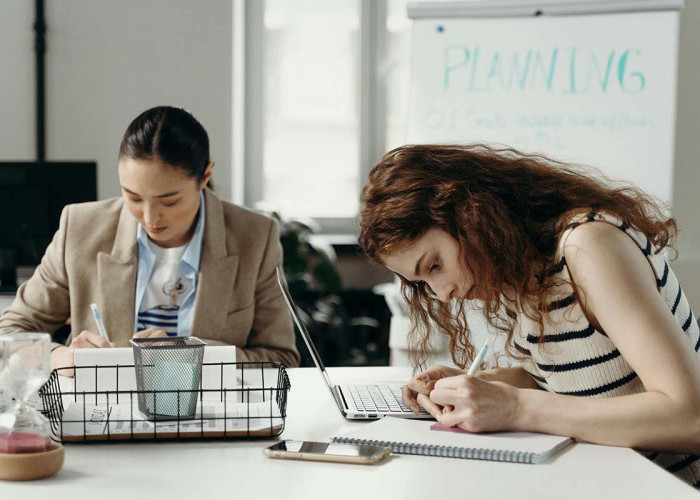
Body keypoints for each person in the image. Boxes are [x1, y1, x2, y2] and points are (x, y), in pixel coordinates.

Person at [358, 143, 700, 487]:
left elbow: (690, 418)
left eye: (435, 265)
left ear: (469, 214)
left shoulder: (589, 245)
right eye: (424, 283)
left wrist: (516, 407)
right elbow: (573, 383)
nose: (443, 293)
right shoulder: (520, 271)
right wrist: (479, 386)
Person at [0, 106, 299, 371]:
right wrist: (62, 358)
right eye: (133, 197)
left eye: (169, 201)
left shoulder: (255, 237)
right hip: (104, 416)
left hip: (213, 415)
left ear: (205, 176)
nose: (150, 217)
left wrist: (191, 356)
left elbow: (281, 358)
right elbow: (11, 332)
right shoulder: (80, 228)